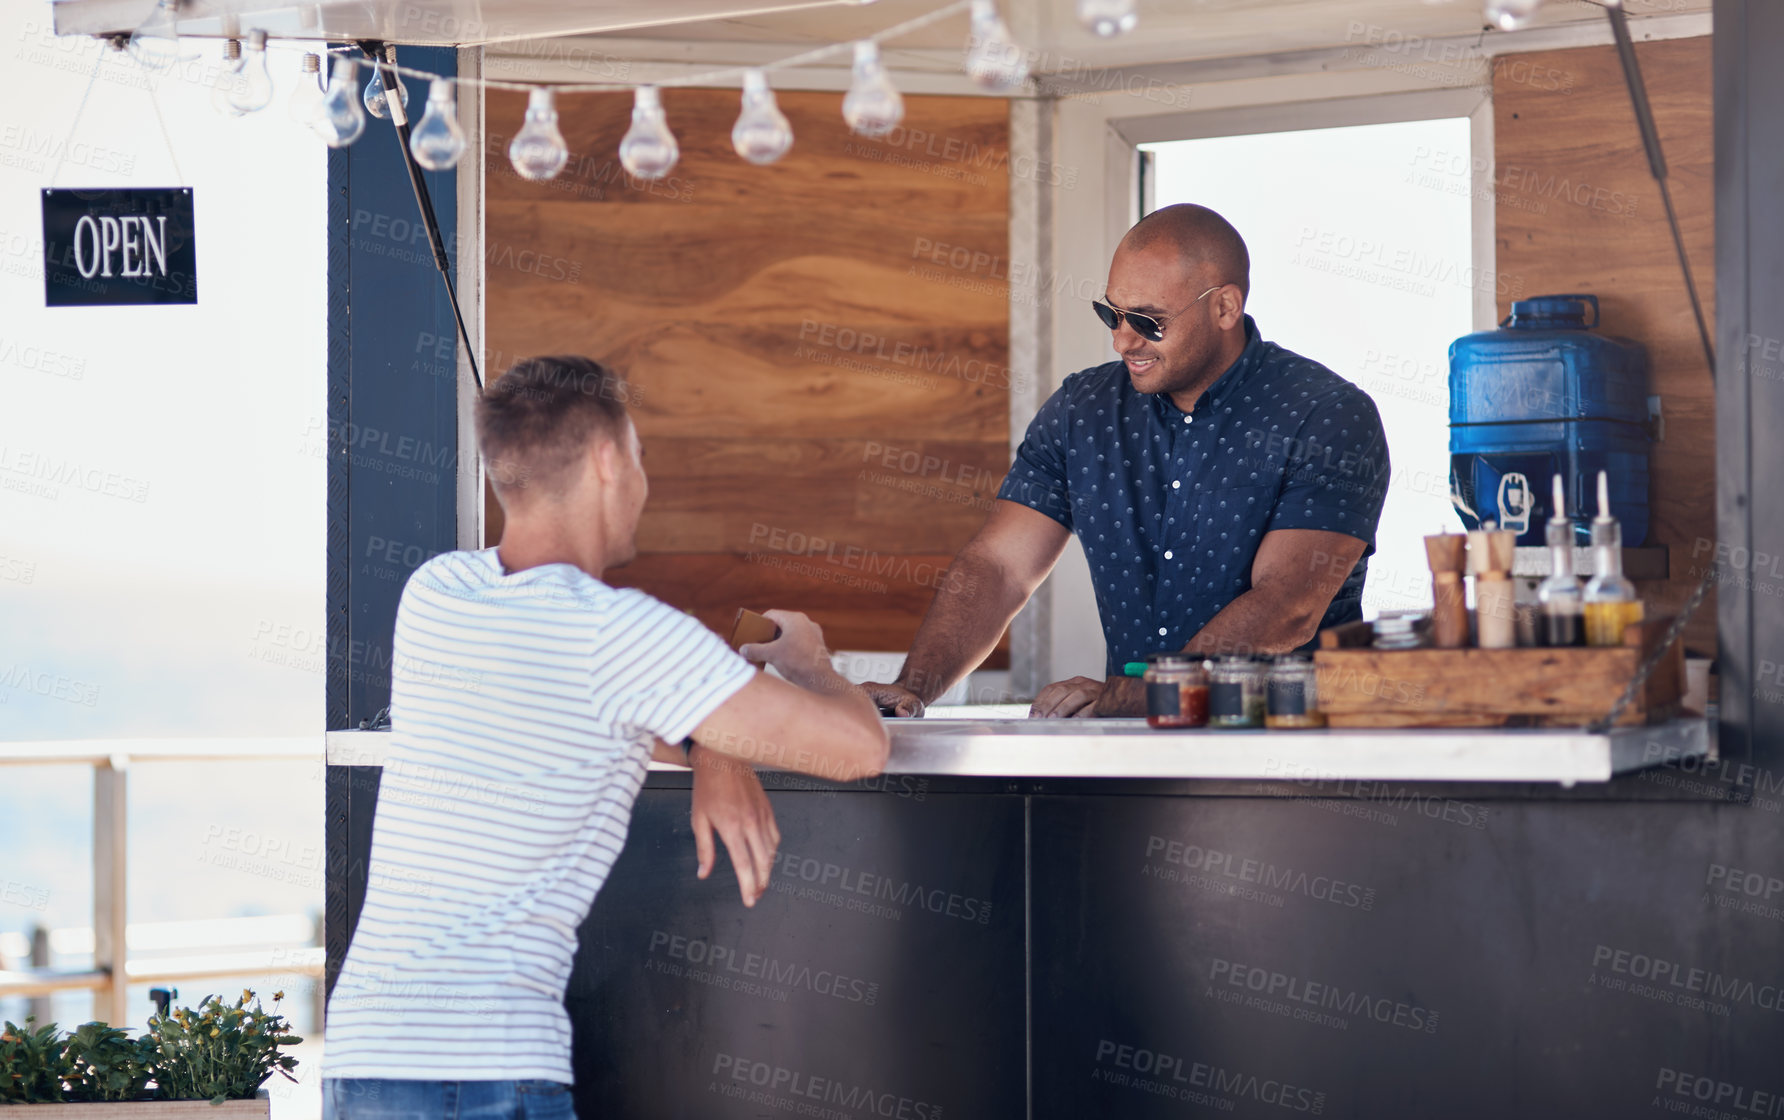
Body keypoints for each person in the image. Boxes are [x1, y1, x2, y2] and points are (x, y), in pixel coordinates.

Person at [321, 356, 887, 1120]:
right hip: (488, 1072)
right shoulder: (621, 635)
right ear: (606, 461)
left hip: (364, 1060)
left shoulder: (437, 595)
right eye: (642, 457)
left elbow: (580, 713)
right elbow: (861, 750)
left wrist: (714, 747)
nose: (646, 484)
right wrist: (811, 662)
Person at [866, 204, 1390, 718]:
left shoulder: (1327, 417)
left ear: (1226, 308)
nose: (1122, 339)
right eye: (1110, 314)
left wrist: (1140, 695)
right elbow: (1000, 567)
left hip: (1293, 758)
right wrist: (914, 688)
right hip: (1132, 757)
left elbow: (1287, 606)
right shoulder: (1081, 410)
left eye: (1147, 321)